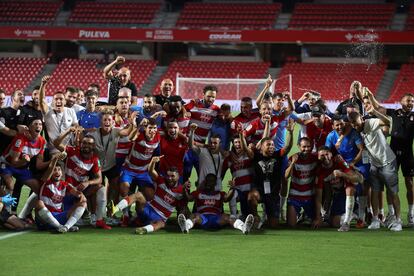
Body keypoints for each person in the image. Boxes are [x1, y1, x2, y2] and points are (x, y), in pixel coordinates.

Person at [348, 108, 403, 231]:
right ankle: (375, 219)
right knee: (375, 191)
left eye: (356, 123)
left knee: (392, 192)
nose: (355, 126)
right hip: (374, 164)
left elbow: (388, 121)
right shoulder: (357, 130)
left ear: (361, 119)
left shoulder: (370, 122)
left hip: (387, 162)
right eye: (352, 124)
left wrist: (375, 112)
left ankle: (398, 220)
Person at [109, 156, 185, 235]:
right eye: (168, 175)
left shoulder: (181, 191)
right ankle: (116, 208)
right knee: (139, 195)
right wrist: (153, 162)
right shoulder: (162, 180)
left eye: (172, 176)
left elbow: (185, 204)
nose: (169, 178)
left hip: (159, 218)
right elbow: (151, 171)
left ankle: (144, 229)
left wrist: (186, 192)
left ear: (178, 176)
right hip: (146, 210)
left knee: (161, 223)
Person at [54, 130, 111, 230]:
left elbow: (99, 179)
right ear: (81, 143)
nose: (86, 145)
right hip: (68, 191)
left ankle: (97, 219)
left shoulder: (94, 159)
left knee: (100, 187)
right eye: (84, 143)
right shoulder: (72, 151)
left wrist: (88, 182)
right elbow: (56, 143)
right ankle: (82, 216)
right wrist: (68, 131)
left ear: (93, 146)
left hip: (81, 190)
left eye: (89, 144)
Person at [0, 118, 50, 221]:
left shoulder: (42, 141)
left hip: (22, 167)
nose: (38, 126)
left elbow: (38, 165)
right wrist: (24, 161)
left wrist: (53, 160)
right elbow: (14, 161)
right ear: (30, 127)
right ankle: (7, 212)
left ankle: (30, 214)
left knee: (39, 188)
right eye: (35, 124)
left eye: (40, 124)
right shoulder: (20, 139)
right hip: (7, 164)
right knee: (10, 184)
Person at [376, 93, 414, 226]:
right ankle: (391, 214)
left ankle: (411, 214)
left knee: (409, 182)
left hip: (408, 154)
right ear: (401, 101)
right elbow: (378, 107)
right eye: (408, 100)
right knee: (389, 183)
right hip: (392, 154)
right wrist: (369, 96)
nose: (411, 103)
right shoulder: (393, 113)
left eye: (412, 101)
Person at [325, 115, 369, 227]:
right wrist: (333, 152)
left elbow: (362, 149)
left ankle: (360, 217)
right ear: (332, 126)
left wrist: (353, 162)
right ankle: (330, 212)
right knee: (346, 188)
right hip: (342, 166)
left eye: (341, 124)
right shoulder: (331, 136)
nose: (339, 127)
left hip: (356, 164)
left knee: (360, 186)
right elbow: (327, 152)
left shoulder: (353, 134)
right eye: (337, 125)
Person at [248, 122, 293, 229]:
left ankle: (266, 219)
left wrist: (290, 133)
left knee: (273, 225)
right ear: (261, 147)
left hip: (273, 194)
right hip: (259, 191)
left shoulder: (278, 155)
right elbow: (247, 150)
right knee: (251, 196)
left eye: (272, 145)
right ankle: (256, 216)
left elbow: (287, 147)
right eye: (268, 145)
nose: (272, 147)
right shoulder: (256, 156)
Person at [178, 174, 254, 234]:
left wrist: (232, 188)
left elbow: (227, 198)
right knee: (194, 216)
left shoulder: (220, 194)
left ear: (215, 183)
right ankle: (186, 227)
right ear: (205, 182)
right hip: (203, 218)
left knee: (228, 217)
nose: (209, 183)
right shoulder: (198, 193)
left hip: (217, 219)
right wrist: (184, 189)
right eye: (207, 181)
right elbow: (189, 198)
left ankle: (244, 228)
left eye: (211, 181)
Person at [314, 146, 364, 232]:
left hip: (352, 190)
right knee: (334, 222)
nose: (325, 157)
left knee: (350, 187)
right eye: (322, 155)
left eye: (327, 154)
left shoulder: (339, 163)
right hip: (338, 195)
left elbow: (359, 179)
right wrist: (320, 216)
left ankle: (346, 223)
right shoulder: (320, 172)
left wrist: (342, 174)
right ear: (318, 157)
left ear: (331, 154)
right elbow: (322, 195)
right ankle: (354, 214)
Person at [35, 156, 86, 233]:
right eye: (54, 170)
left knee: (83, 203)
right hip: (44, 219)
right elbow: (49, 170)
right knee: (39, 203)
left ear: (62, 173)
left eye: (59, 170)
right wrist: (55, 159)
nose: (57, 172)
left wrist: (81, 196)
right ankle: (60, 227)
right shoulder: (45, 182)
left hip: (59, 216)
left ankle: (66, 227)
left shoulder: (65, 185)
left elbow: (78, 194)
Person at [119, 117, 160, 206]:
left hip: (143, 172)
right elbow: (130, 138)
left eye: (154, 128)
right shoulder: (140, 136)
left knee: (150, 195)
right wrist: (139, 126)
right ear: (145, 128)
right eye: (150, 128)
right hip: (129, 169)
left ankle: (139, 210)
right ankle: (125, 214)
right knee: (124, 190)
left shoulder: (158, 137)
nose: (152, 131)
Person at [183, 85, 220, 181]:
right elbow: (182, 109)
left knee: (203, 177)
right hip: (188, 146)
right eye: (209, 96)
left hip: (202, 149)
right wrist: (185, 111)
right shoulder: (193, 104)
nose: (211, 99)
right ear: (203, 95)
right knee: (185, 176)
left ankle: (198, 195)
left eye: (213, 97)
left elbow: (225, 117)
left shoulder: (216, 110)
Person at [39, 75, 78, 155]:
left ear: (65, 101)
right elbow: (42, 101)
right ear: (52, 101)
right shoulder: (48, 112)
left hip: (69, 150)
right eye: (56, 99)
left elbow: (76, 128)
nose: (58, 101)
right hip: (54, 151)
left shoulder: (71, 111)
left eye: (61, 99)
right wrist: (43, 85)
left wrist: (77, 133)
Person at [285, 137, 318, 227]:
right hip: (295, 196)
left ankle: (305, 215)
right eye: (304, 147)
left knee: (318, 224)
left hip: (310, 197)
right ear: (299, 146)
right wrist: (292, 163)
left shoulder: (315, 158)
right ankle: (300, 215)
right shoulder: (293, 158)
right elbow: (286, 176)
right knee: (291, 225)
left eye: (308, 147)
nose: (306, 149)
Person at [223, 129, 254, 219]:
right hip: (238, 189)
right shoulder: (230, 157)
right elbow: (222, 170)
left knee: (247, 215)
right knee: (231, 195)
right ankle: (233, 216)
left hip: (249, 189)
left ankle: (259, 215)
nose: (237, 144)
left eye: (240, 142)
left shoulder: (248, 154)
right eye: (235, 142)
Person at [189, 124, 226, 191]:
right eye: (211, 142)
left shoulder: (223, 155)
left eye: (215, 143)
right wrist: (192, 132)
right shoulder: (203, 152)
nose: (212, 145)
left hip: (217, 188)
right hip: (202, 187)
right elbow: (191, 146)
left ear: (220, 144)